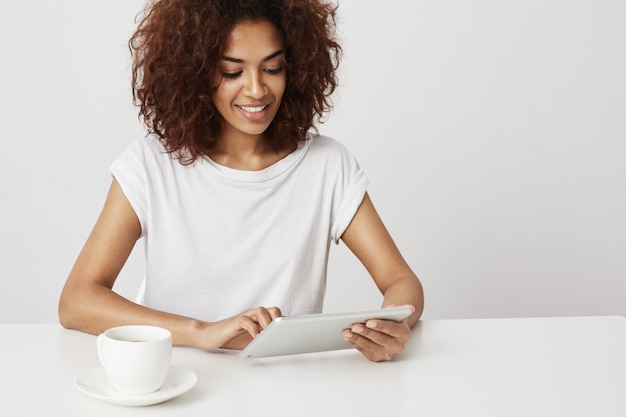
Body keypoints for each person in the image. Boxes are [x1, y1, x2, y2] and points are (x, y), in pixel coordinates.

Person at [58, 0, 424, 362]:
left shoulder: (326, 166)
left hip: (289, 387)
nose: (256, 89)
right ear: (195, 72)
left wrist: (395, 323)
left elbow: (399, 280)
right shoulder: (150, 165)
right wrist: (201, 332)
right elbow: (77, 300)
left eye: (273, 67)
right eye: (232, 72)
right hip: (176, 384)